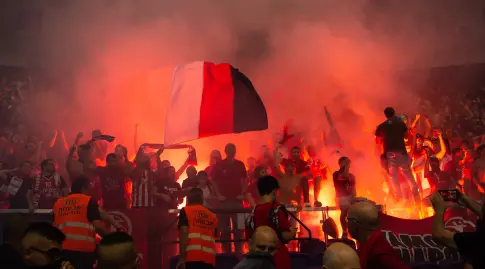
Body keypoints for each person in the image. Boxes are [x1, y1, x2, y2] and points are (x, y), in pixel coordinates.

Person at [53, 175, 108, 269]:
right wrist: (110, 237)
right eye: (90, 186)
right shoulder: (88, 201)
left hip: (62, 250)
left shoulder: (59, 202)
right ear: (83, 188)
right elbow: (98, 226)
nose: (92, 189)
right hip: (83, 251)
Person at [245, 176, 297, 269]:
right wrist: (293, 233)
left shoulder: (253, 213)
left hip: (258, 261)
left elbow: (249, 238)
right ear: (274, 191)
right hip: (278, 260)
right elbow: (285, 236)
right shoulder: (276, 211)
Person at [347, 201, 410, 269]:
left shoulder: (379, 251)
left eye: (347, 220)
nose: (347, 224)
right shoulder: (370, 245)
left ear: (355, 223)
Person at [375, 107, 418, 204]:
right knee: (409, 176)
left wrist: (384, 139)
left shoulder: (382, 126)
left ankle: (399, 199)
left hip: (391, 154)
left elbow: (377, 141)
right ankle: (417, 198)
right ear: (394, 113)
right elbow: (406, 137)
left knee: (393, 177)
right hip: (402, 152)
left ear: (385, 115)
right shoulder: (400, 124)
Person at [430, 193, 485, 268]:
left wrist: (440, 210)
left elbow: (439, 235)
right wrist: (466, 200)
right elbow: (482, 212)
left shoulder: (477, 241)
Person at [212, 143, 247, 253]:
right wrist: (218, 195)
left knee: (240, 228)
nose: (231, 151)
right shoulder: (219, 164)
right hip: (224, 202)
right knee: (224, 229)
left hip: (237, 202)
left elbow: (245, 179)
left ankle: (239, 251)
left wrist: (243, 193)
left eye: (233, 149)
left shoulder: (240, 164)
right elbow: (213, 180)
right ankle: (226, 253)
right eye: (229, 149)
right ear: (225, 151)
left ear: (235, 151)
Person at [178, 188, 218, 269]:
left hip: (192, 258)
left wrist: (182, 259)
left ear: (188, 199)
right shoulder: (212, 215)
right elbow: (216, 234)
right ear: (202, 199)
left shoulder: (186, 211)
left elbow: (184, 234)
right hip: (209, 260)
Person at [152, 165, 182, 269]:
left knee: (172, 236)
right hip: (161, 212)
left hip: (173, 212)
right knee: (162, 236)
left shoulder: (177, 184)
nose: (172, 173)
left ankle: (172, 256)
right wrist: (162, 195)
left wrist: (178, 200)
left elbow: (181, 198)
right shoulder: (160, 183)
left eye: (174, 171)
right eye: (170, 171)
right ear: (167, 172)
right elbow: (152, 192)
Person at [332, 156, 356, 239]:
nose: (348, 164)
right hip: (341, 197)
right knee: (345, 208)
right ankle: (345, 231)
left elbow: (353, 189)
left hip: (350, 197)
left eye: (348, 162)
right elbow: (343, 177)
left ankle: (354, 230)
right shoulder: (336, 174)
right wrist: (344, 167)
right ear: (340, 164)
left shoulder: (352, 176)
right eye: (345, 162)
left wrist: (354, 198)